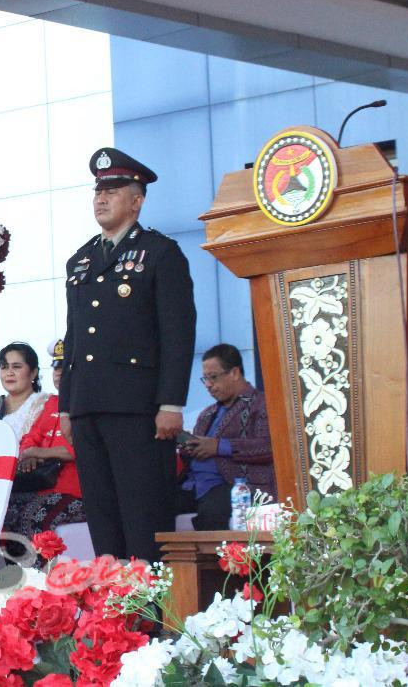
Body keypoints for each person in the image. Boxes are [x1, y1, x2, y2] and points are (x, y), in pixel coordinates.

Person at [58, 147, 196, 564]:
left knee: (143, 513)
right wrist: (66, 407)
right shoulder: (80, 260)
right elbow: (74, 338)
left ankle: (153, 613)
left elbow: (177, 333)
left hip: (138, 408)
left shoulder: (160, 253)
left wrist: (171, 402)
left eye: (114, 190)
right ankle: (115, 612)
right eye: (98, 190)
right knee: (103, 515)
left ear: (137, 200)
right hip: (87, 406)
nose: (101, 198)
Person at [176, 344, 275, 530]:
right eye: (205, 379)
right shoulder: (206, 413)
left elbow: (270, 446)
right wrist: (190, 448)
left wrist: (219, 447)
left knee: (213, 511)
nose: (208, 385)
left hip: (235, 485)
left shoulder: (261, 404)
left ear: (235, 373)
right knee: (155, 507)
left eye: (213, 377)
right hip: (193, 487)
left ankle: (218, 559)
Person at [3, 339, 85, 548]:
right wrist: (29, 454)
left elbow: (80, 449)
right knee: (4, 515)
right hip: (44, 488)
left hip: (77, 490)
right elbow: (29, 438)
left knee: (33, 519)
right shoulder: (49, 403)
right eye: (57, 367)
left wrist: (40, 452)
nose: (59, 372)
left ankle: (42, 579)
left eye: (66, 366)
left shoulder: (88, 405)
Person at [0, 343, 52, 439]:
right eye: (4, 367)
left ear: (33, 372)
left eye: (16, 367)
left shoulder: (46, 405)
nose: (9, 373)